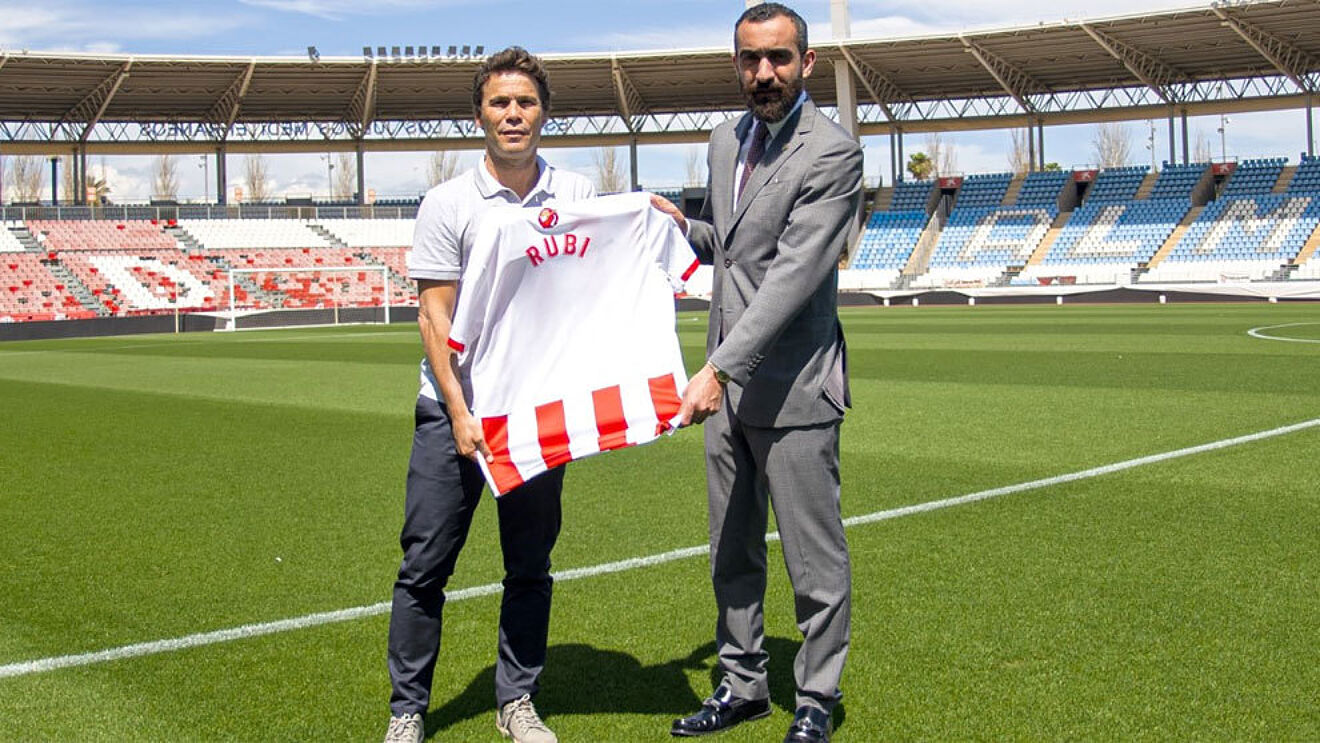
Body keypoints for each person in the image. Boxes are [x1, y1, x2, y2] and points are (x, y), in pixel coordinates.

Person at [652, 4, 862, 742]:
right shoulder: (724, 140)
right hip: (728, 394)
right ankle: (742, 684)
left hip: (794, 387)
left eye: (778, 58)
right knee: (730, 549)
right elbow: (736, 248)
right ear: (736, 63)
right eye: (750, 59)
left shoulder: (833, 153)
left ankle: (816, 698)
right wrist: (680, 228)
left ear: (807, 62)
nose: (763, 73)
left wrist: (717, 367)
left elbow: (792, 277)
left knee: (813, 559)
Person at [384, 46, 595, 743]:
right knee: (424, 567)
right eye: (500, 102)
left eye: (525, 102)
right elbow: (433, 316)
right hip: (453, 412)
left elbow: (603, 283)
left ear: (544, 113)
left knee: (529, 567)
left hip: (534, 416)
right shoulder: (447, 203)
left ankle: (517, 701)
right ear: (480, 114)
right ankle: (407, 710)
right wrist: (459, 411)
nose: (513, 114)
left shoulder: (578, 195)